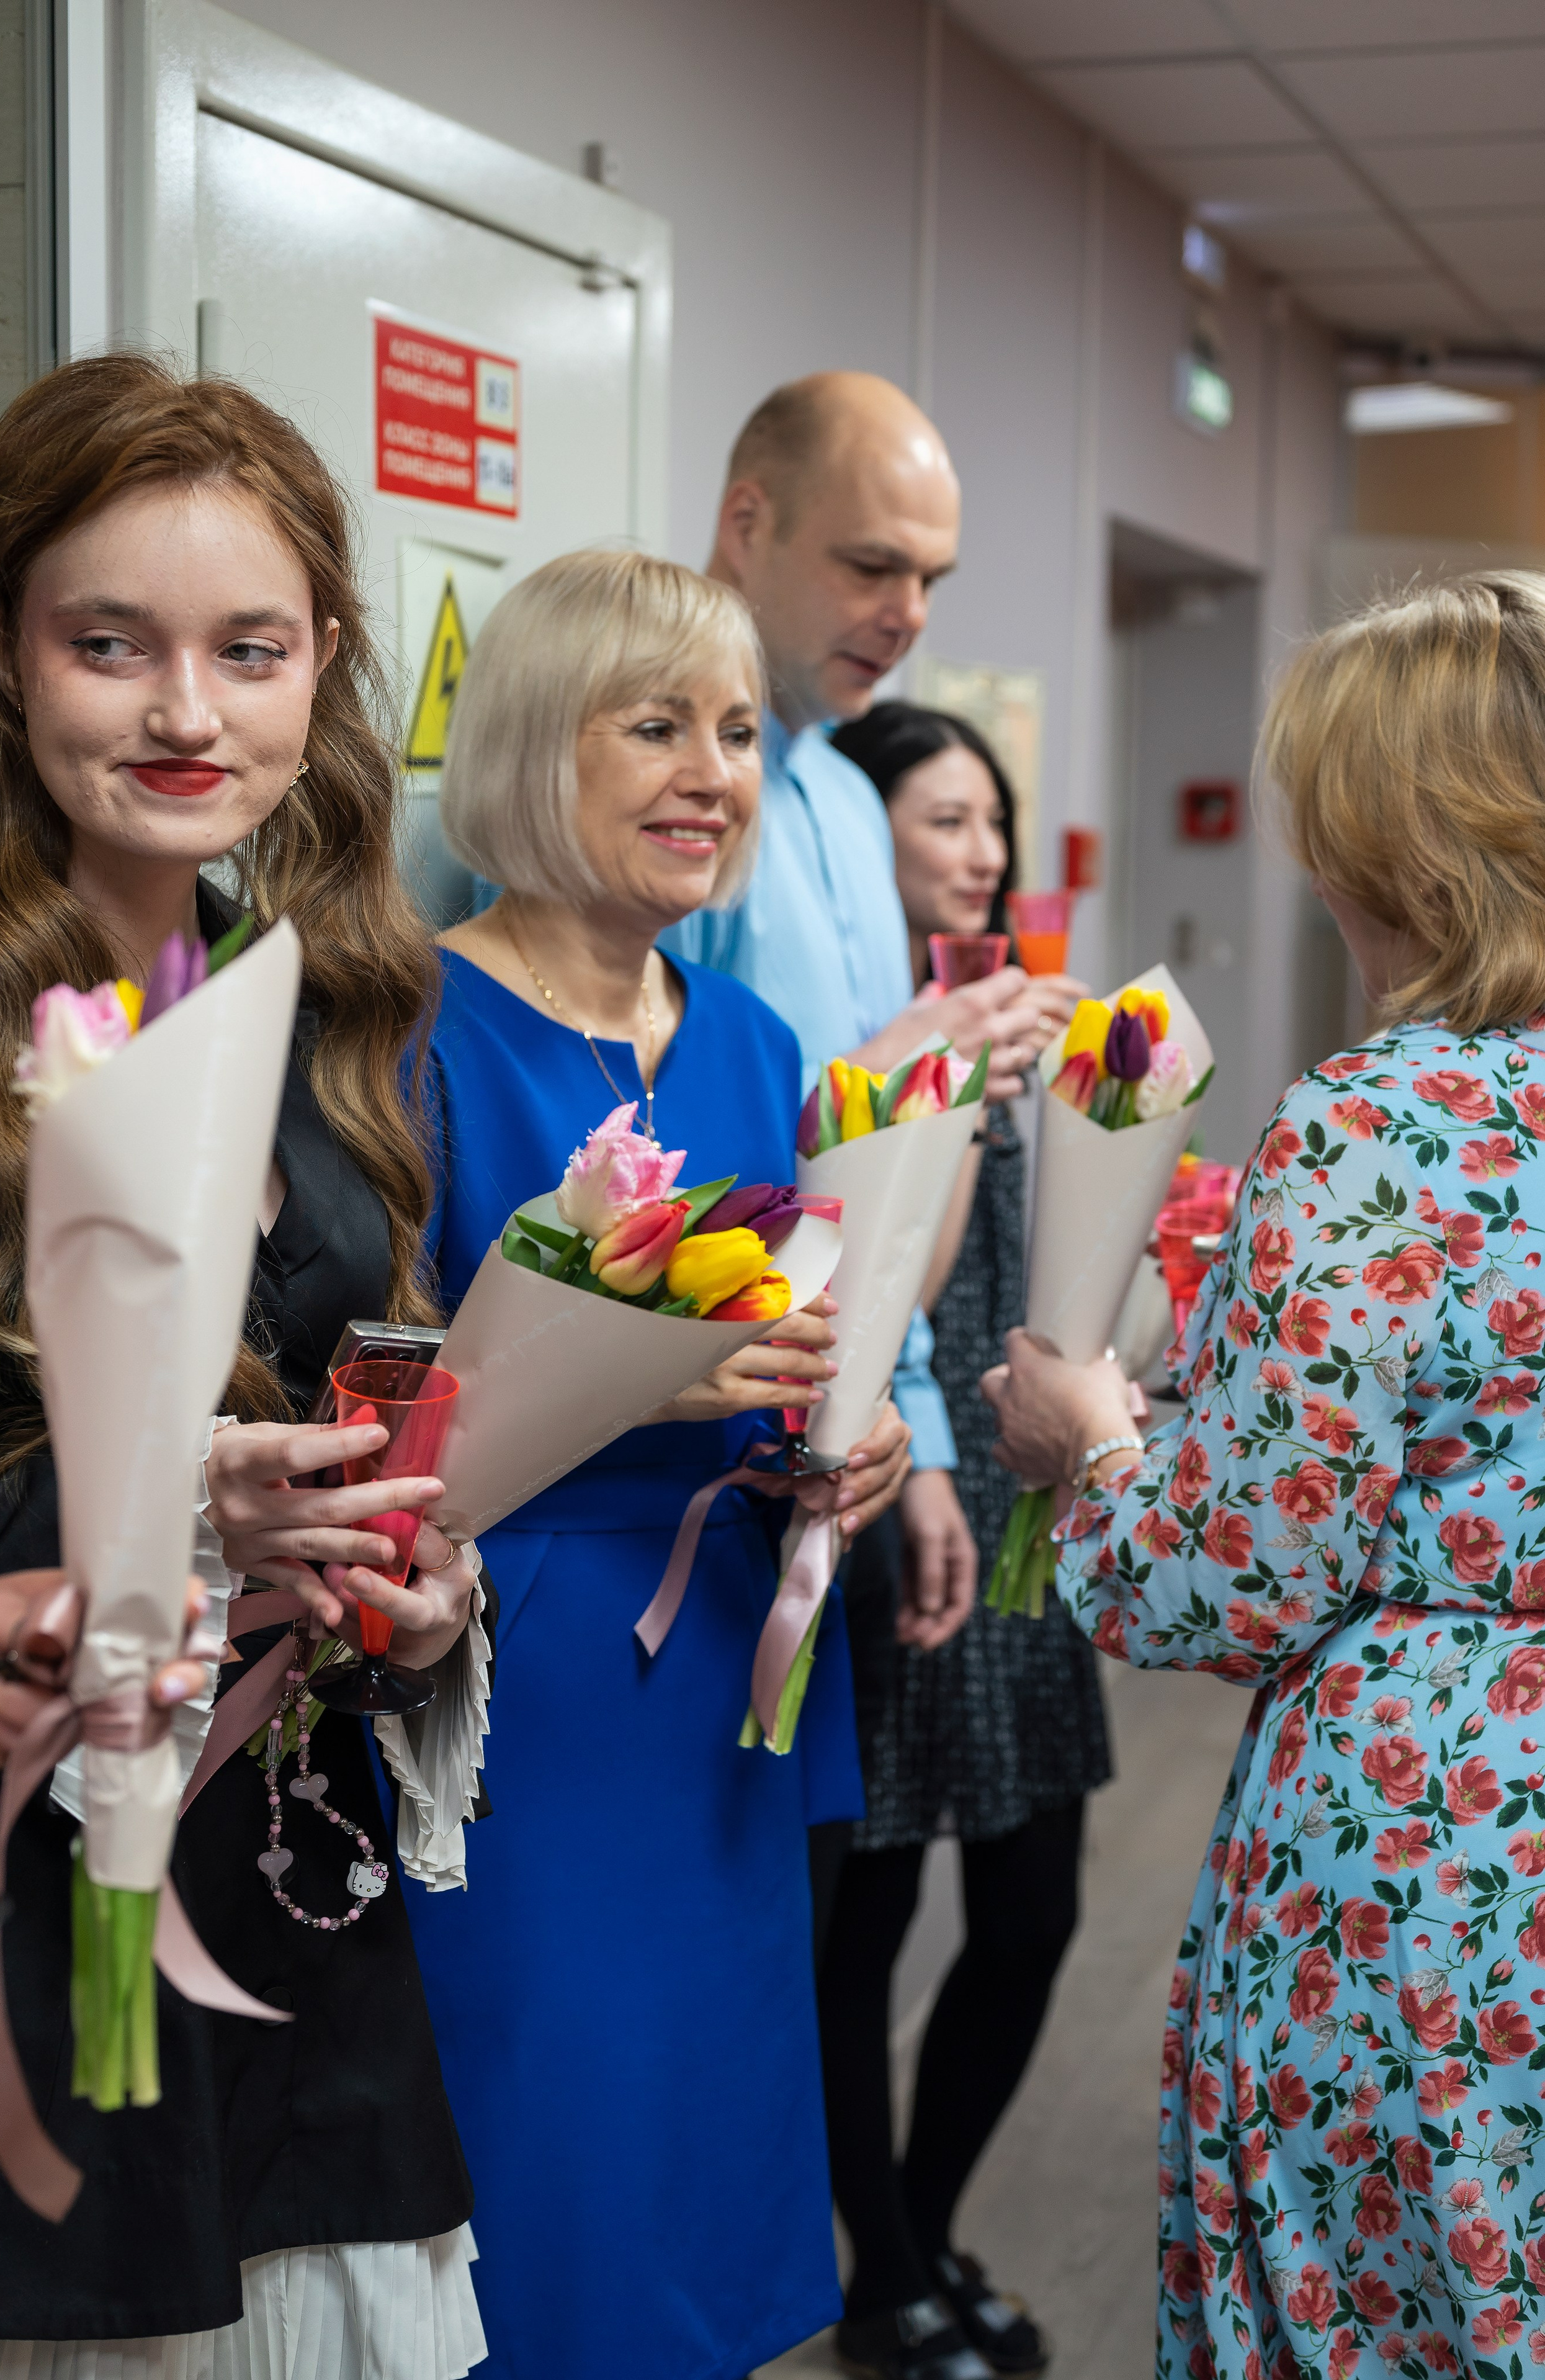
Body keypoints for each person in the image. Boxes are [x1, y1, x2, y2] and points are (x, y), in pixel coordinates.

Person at [0, 352, 487, 2374]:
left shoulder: (331, 1022)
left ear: (321, 663)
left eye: (249, 649)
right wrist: (168, 1506)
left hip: (294, 1926)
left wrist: (418, 1602)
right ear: (1, 650)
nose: (189, 712)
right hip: (17, 1938)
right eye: (111, 644)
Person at [981, 571, 1545, 2379]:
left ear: (1395, 845)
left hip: (1428, 1843)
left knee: (1387, 2307)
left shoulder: (1379, 1133)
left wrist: (1093, 1440)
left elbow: (1229, 1576)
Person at [403, 545, 913, 2380]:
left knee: (705, 2162)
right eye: (655, 726)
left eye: (738, 732)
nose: (712, 774)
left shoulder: (756, 1040)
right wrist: (636, 1386)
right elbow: (372, 1411)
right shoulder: (413, 1032)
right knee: (551, 2168)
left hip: (724, 1689)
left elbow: (782, 1352)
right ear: (535, 741)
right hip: (520, 1692)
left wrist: (843, 1447)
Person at [662, 374, 1077, 1830]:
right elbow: (638, 1161)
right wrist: (900, 1064)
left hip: (845, 1433)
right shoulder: (677, 796)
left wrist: (916, 1432)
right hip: (686, 1426)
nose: (904, 615)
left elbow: (879, 1192)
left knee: (811, 1893)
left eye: (928, 580)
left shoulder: (842, 789)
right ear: (747, 522)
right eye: (869, 565)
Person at [815, 702, 1100, 2380]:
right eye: (943, 820)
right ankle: (885, 2275)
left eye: (993, 820)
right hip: (901, 1487)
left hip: (1020, 1491)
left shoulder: (1013, 1025)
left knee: (1034, 1908)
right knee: (862, 1921)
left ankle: (918, 2231)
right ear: (860, 843)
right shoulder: (859, 1035)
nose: (983, 852)